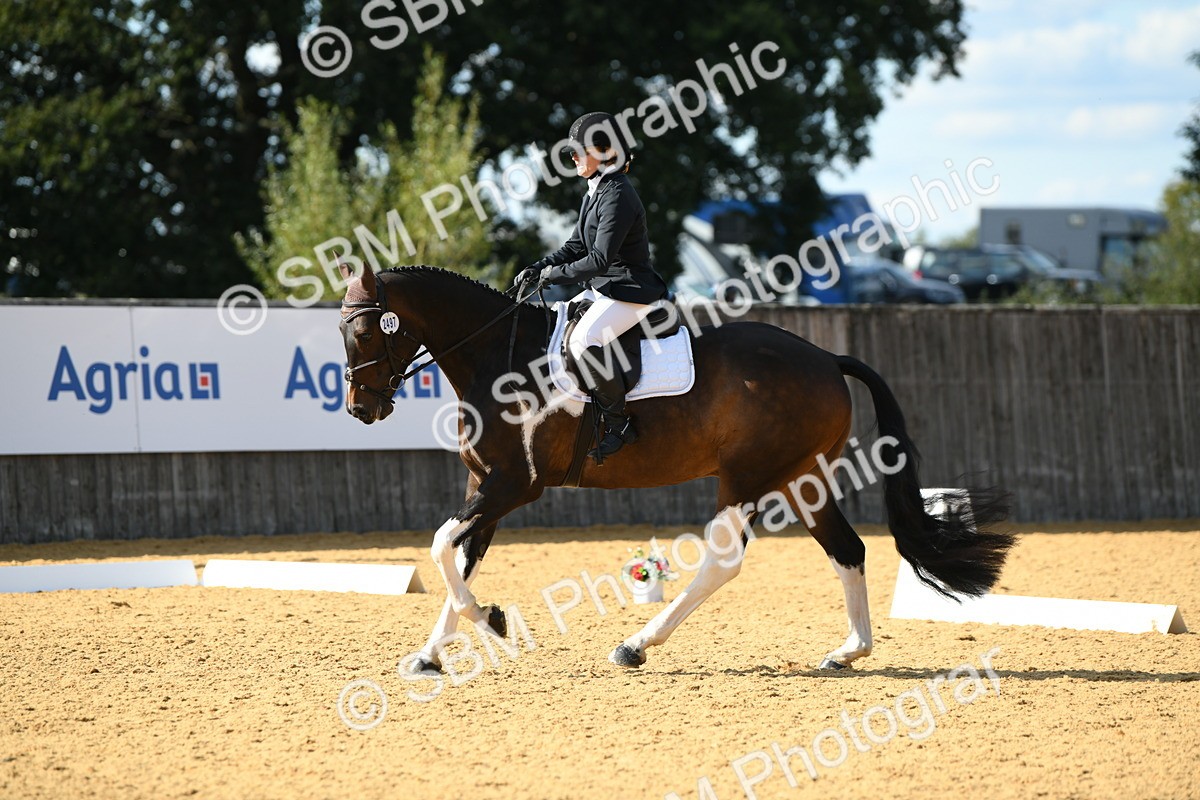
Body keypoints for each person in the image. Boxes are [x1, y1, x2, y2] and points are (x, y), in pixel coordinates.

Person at [514, 111, 670, 462]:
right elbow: (574, 246)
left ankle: (619, 423)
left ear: (604, 151)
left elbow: (599, 259)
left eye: (578, 151)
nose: (572, 158)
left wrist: (553, 277)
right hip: (607, 289)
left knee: (585, 340)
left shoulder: (618, 195)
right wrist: (538, 267)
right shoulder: (596, 192)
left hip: (631, 291)